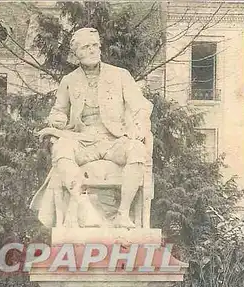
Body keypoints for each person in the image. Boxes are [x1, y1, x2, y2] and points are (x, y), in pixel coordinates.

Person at [30, 27, 154, 228]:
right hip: (84, 142)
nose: (92, 50)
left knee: (138, 150)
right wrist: (57, 119)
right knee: (61, 149)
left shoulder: (120, 75)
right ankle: (84, 206)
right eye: (86, 47)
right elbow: (57, 111)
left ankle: (122, 214)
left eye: (95, 46)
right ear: (76, 53)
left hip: (115, 142)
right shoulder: (68, 81)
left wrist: (139, 127)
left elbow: (141, 106)